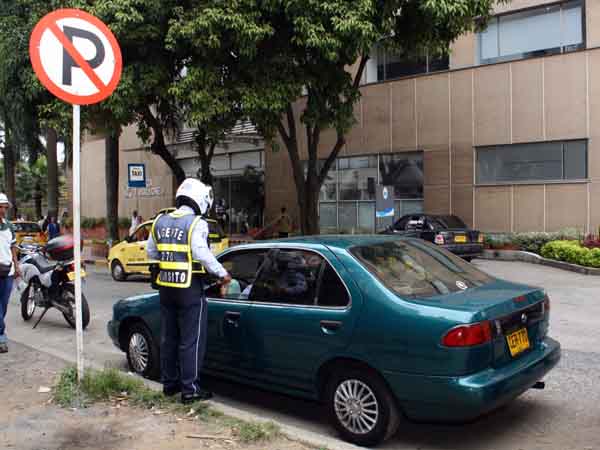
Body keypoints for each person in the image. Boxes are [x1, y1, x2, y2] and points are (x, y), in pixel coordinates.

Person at [147, 178, 231, 404]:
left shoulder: (160, 221)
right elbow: (202, 253)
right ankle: (190, 389)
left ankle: (169, 384)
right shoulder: (196, 223)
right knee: (191, 340)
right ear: (200, 200)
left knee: (169, 337)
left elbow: (151, 252)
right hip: (189, 289)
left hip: (166, 288)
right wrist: (222, 273)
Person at [0, 194, 20, 353]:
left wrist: (17, 266)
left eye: (5, 207)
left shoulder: (9, 226)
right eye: (0, 207)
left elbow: (13, 247)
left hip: (7, 271)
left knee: (4, 305)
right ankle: (1, 336)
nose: (3, 210)